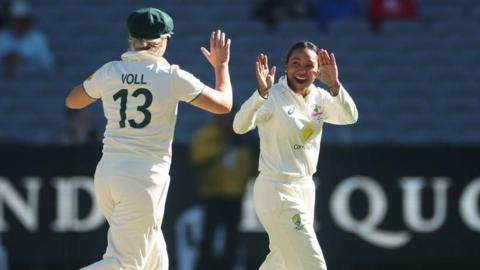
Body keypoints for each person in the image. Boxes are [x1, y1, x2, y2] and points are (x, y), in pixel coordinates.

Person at [65, 7, 233, 270]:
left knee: (155, 262)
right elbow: (224, 105)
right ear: (163, 40)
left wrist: (103, 85)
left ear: (130, 38)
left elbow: (73, 100)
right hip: (142, 180)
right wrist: (221, 66)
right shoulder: (171, 76)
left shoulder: (110, 71)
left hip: (108, 175)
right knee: (124, 265)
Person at [233, 42, 358, 269]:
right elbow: (239, 126)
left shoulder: (320, 97)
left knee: (280, 260)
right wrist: (260, 94)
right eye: (295, 64)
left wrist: (335, 85)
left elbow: (350, 117)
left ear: (318, 70)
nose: (301, 70)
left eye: (309, 65)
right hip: (276, 188)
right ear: (285, 66)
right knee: (312, 264)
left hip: (305, 187)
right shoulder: (273, 96)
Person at [190, 114, 255, 270]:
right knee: (208, 238)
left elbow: (252, 165)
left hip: (236, 197)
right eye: (226, 118)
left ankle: (229, 266)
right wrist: (222, 145)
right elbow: (197, 157)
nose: (229, 122)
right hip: (213, 195)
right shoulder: (209, 133)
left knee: (233, 239)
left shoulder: (246, 138)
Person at [0, 0, 53, 78]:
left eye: (21, 21)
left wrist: (25, 60)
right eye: (15, 20)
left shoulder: (38, 39)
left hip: (31, 80)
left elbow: (48, 65)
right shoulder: (2, 36)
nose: (18, 24)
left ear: (28, 21)